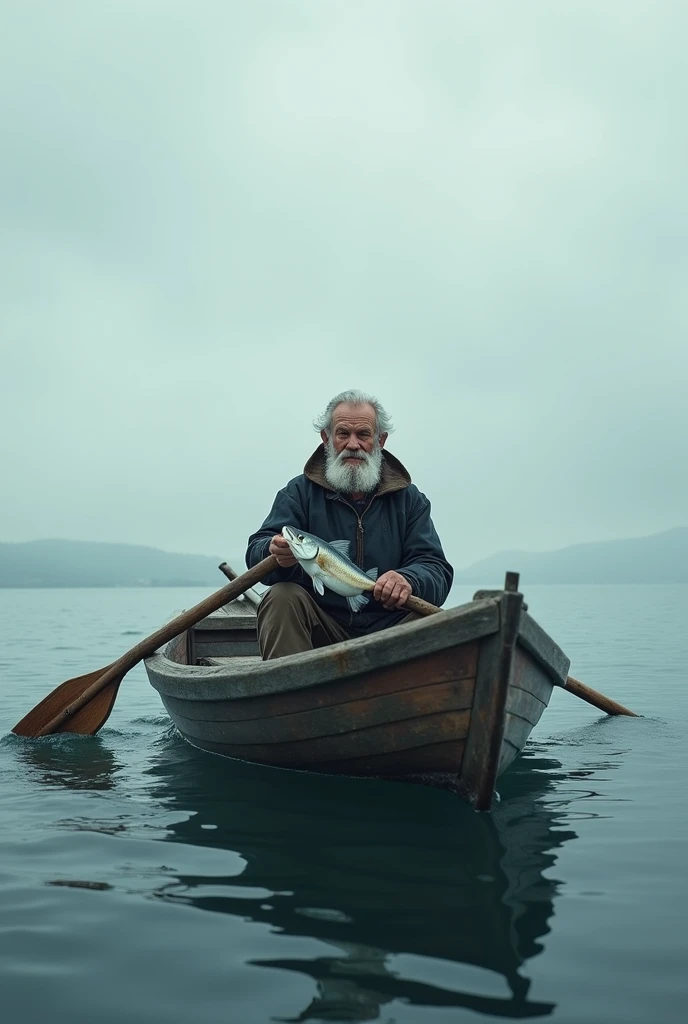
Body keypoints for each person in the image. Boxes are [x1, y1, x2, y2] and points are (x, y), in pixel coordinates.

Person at [245, 389, 453, 659]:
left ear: (380, 440)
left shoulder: (410, 500)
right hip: (320, 628)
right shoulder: (298, 493)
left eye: (363, 435)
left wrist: (409, 580)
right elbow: (257, 552)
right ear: (326, 439)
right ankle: (292, 695)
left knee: (428, 619)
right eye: (343, 433)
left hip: (392, 630)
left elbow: (436, 569)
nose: (352, 444)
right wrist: (271, 552)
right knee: (280, 598)